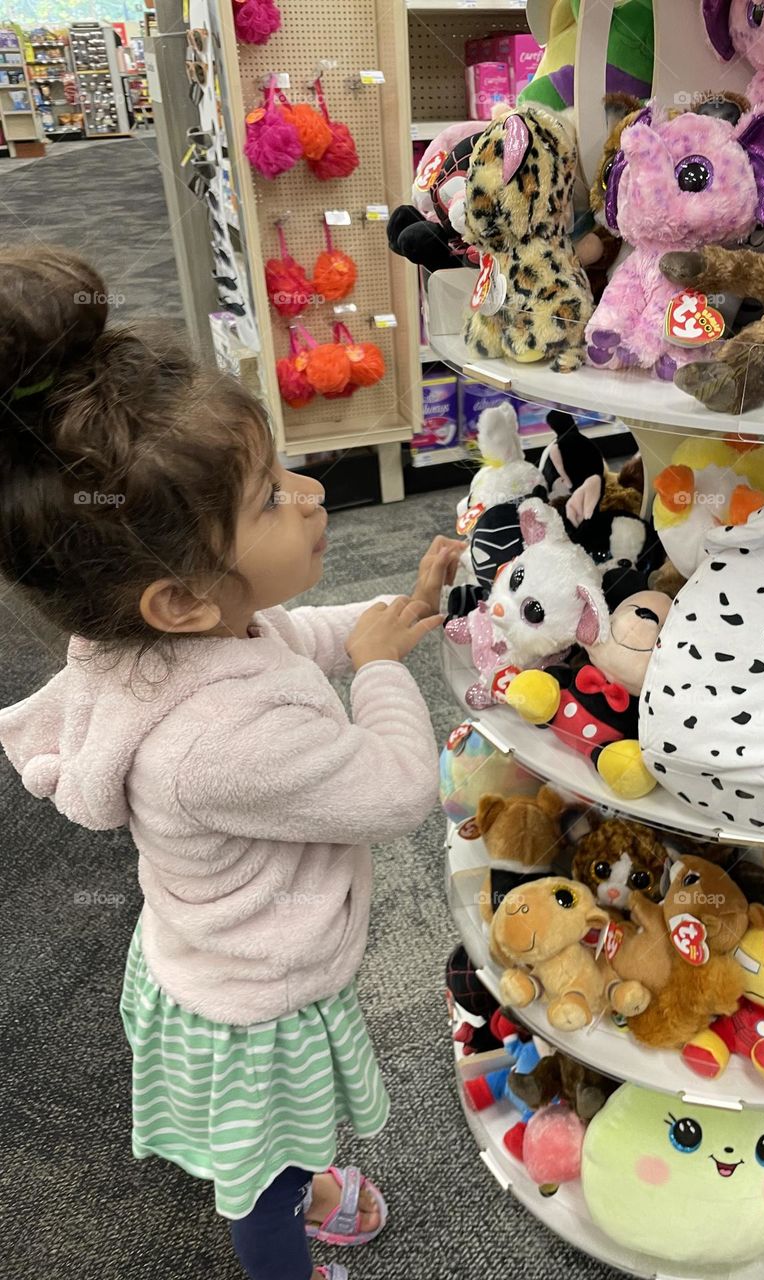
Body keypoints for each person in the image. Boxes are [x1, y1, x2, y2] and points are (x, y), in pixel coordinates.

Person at [0, 246, 462, 1280]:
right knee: (261, 1173)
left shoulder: (179, 637)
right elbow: (390, 787)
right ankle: (282, 1252)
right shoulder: (218, 745)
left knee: (283, 1139)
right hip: (257, 998)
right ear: (181, 598)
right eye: (267, 498)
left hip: (212, 949)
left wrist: (397, 614)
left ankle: (303, 1171)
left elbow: (293, 635)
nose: (308, 494)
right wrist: (386, 672)